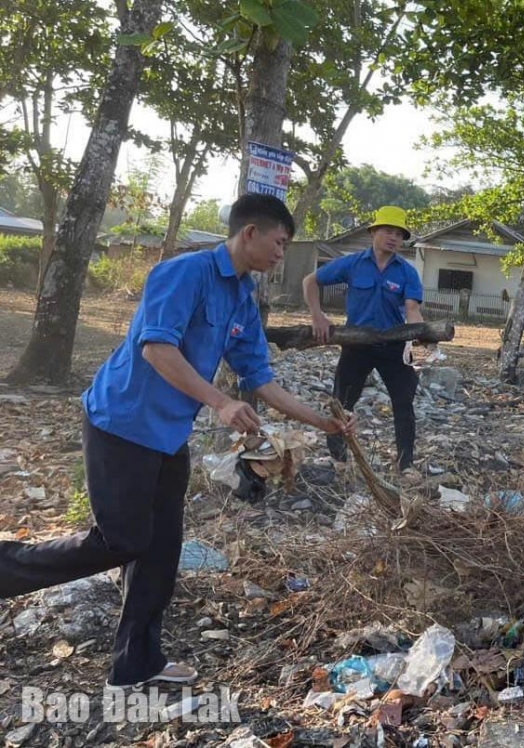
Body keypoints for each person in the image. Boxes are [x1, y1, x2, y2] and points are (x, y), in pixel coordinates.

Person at [0, 194, 355, 688]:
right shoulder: (184, 274)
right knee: (120, 540)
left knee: (161, 551)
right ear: (249, 233)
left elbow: (263, 380)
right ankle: (6, 568)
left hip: (168, 436)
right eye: (279, 242)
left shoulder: (242, 300)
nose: (281, 254)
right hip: (121, 423)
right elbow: (156, 348)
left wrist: (325, 424)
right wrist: (220, 402)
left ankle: (135, 664)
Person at [302, 206, 424, 472]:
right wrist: (317, 315)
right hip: (356, 345)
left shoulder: (407, 272)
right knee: (342, 401)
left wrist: (422, 336)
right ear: (373, 232)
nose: (393, 238)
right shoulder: (353, 263)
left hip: (393, 347)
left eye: (398, 234)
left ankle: (406, 464)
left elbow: (413, 310)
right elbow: (310, 281)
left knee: (404, 403)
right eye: (387, 231)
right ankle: (338, 460)